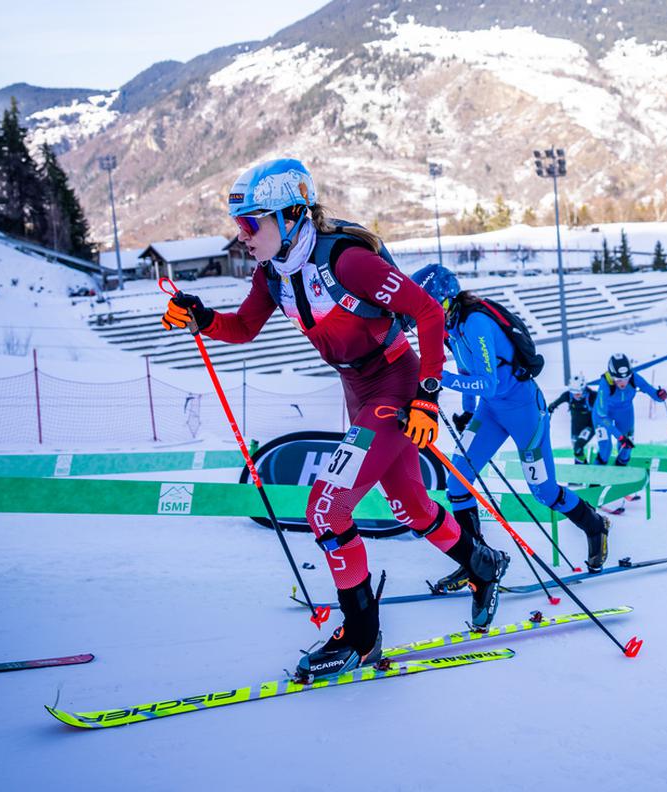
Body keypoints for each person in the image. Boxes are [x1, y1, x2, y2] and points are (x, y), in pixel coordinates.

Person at [159, 158, 508, 679]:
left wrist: (428, 397)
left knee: (326, 507)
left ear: (292, 214)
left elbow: (428, 313)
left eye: (252, 223)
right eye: (239, 225)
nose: (242, 236)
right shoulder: (273, 274)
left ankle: (361, 637)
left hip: (395, 383)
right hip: (357, 387)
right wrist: (201, 317)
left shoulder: (347, 263)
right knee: (410, 505)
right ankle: (483, 567)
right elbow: (244, 329)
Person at [410, 265, 613, 576]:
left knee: (543, 491)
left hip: (525, 411)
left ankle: (595, 524)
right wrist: (467, 411)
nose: (425, 316)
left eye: (428, 307)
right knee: (457, 482)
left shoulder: (475, 322)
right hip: (490, 412)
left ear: (445, 300)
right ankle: (477, 562)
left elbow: (487, 382)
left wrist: (440, 378)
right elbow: (468, 372)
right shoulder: (451, 328)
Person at [593, 354, 666, 466]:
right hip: (603, 415)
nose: (623, 383)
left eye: (626, 378)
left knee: (626, 448)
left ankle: (620, 475)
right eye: (618, 379)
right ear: (612, 377)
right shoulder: (605, 385)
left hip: (625, 412)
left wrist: (659, 395)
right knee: (605, 449)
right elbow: (603, 418)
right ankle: (595, 480)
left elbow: (649, 390)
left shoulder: (634, 378)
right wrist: (620, 437)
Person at [549, 375, 597, 464]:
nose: (576, 395)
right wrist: (552, 406)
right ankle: (580, 469)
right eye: (573, 392)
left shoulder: (592, 396)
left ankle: (586, 470)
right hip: (576, 427)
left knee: (578, 447)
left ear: (584, 389)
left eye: (578, 392)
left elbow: (604, 407)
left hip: (589, 426)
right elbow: (556, 402)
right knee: (577, 450)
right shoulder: (568, 395)